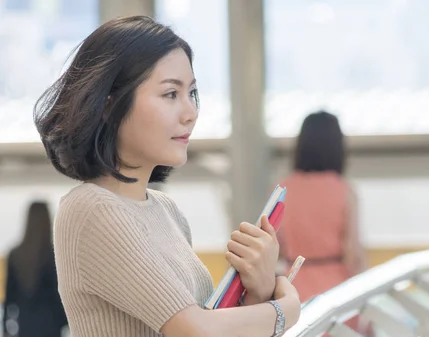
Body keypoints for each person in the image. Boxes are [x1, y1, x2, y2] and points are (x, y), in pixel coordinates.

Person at [33, 16, 300, 337]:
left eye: (193, 93)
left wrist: (259, 288)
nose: (190, 112)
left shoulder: (166, 210)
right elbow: (197, 330)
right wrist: (286, 308)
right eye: (171, 94)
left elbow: (206, 326)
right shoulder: (91, 208)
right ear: (109, 106)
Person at [277, 111, 368, 302]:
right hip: (338, 292)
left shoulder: (282, 190)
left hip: (294, 289)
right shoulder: (344, 191)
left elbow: (276, 247)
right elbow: (354, 255)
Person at [3, 201, 68, 337]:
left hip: (25, 323)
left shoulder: (15, 254)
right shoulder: (54, 255)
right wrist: (65, 321)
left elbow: (10, 296)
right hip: (51, 325)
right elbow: (58, 295)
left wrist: (5, 327)